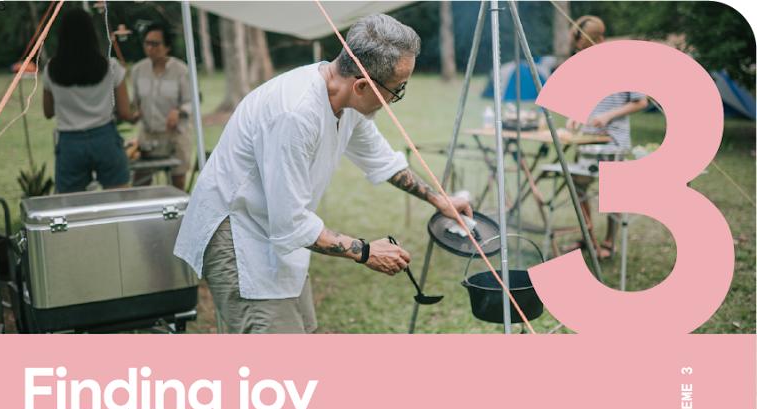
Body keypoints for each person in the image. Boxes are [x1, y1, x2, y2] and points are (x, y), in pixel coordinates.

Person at [174, 14, 472, 334]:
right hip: (239, 237)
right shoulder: (295, 114)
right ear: (361, 85)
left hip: (276, 229)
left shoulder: (345, 97)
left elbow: (381, 158)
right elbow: (291, 225)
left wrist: (439, 200)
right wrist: (366, 252)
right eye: (397, 90)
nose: (394, 101)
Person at [561, 15, 649, 260]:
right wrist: (574, 116)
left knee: (614, 193)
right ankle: (587, 235)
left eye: (586, 48)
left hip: (614, 141)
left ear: (600, 39)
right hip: (588, 140)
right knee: (577, 184)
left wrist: (609, 115)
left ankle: (609, 242)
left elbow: (641, 101)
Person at [42, 8, 131, 193]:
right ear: (93, 33)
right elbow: (125, 112)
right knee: (118, 201)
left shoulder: (52, 68)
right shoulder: (110, 66)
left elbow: (48, 112)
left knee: (73, 209)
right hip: (105, 138)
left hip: (70, 142)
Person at [130, 23, 193, 192]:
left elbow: (191, 102)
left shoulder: (181, 70)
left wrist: (178, 111)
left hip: (175, 136)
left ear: (168, 47)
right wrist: (134, 112)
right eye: (147, 43)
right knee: (140, 183)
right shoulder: (137, 70)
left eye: (155, 43)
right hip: (148, 136)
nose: (150, 47)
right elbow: (135, 101)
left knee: (177, 185)